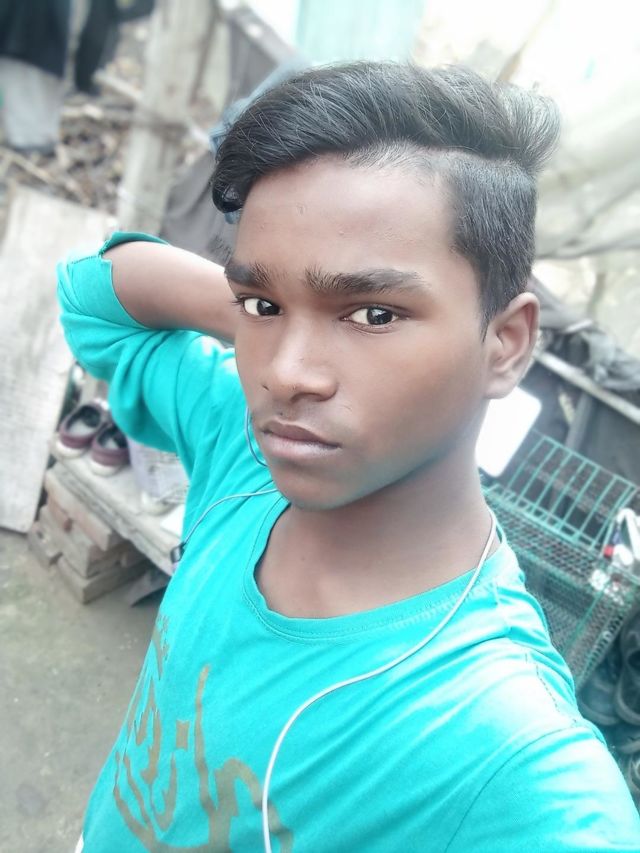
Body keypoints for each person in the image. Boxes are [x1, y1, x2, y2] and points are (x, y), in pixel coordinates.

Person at [58, 62, 640, 852]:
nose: (286, 374)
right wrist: (270, 306)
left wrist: (282, 305)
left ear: (505, 343)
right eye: (260, 305)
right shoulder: (245, 458)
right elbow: (92, 299)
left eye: (373, 313)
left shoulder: (513, 765)